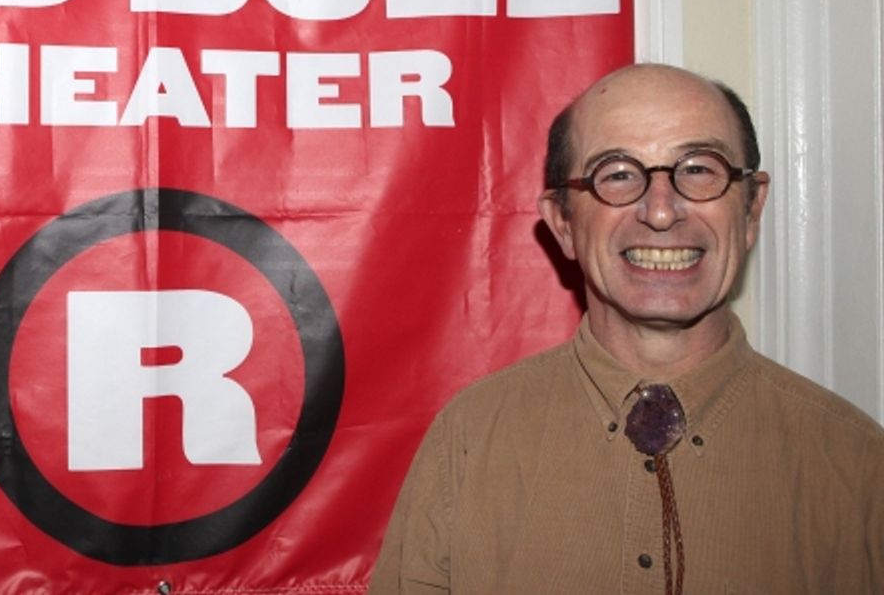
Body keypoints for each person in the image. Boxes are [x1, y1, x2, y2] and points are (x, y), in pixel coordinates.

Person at [366, 63, 884, 594]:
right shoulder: (469, 444)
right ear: (563, 222)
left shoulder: (857, 467)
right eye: (617, 174)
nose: (661, 212)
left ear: (751, 208)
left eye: (699, 169)